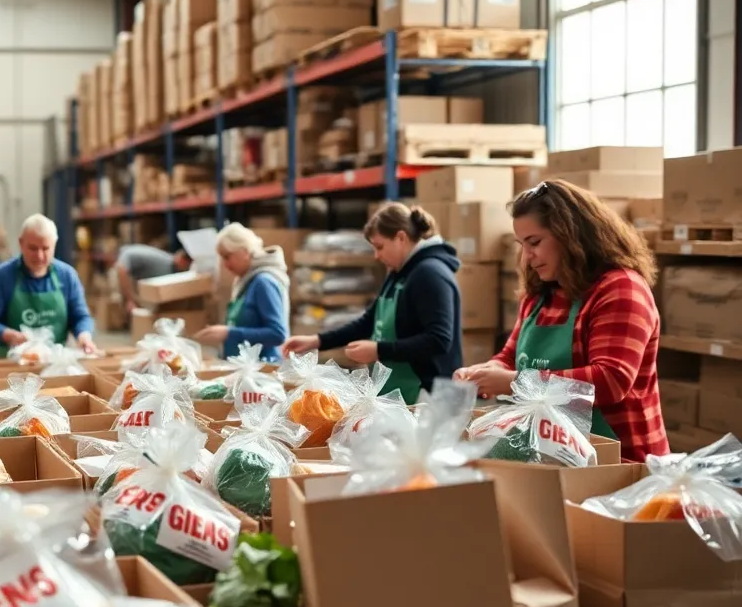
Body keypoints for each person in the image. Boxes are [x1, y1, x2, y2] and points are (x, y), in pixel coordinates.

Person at [455, 180, 670, 462]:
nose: (527, 257)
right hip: (552, 453)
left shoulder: (620, 289)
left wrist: (512, 382)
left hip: (618, 459)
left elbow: (611, 380)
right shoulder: (542, 294)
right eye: (522, 245)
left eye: (534, 243)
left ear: (572, 235)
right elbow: (511, 356)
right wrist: (486, 372)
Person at [283, 203, 461, 404]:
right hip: (400, 391)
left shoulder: (430, 274)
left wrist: (379, 350)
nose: (376, 256)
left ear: (401, 238)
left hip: (428, 396)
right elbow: (369, 321)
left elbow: (439, 339)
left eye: (380, 247)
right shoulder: (398, 273)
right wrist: (317, 341)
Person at [0, 213, 97, 357]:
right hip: (12, 363)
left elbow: (81, 316)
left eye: (46, 248)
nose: (40, 256)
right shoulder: (3, 276)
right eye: (33, 249)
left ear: (55, 244)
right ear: (21, 243)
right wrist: (10, 336)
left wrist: (84, 335)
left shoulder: (67, 276)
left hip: (54, 362)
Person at [195, 223, 290, 361]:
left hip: (264, 370)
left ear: (244, 251)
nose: (225, 264)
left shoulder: (263, 282)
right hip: (245, 369)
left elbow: (278, 334)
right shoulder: (245, 281)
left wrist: (229, 333)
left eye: (227, 257)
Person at [115, 244, 191, 314]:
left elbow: (122, 271)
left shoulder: (166, 266)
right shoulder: (128, 254)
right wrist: (130, 300)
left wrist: (130, 300)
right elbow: (122, 271)